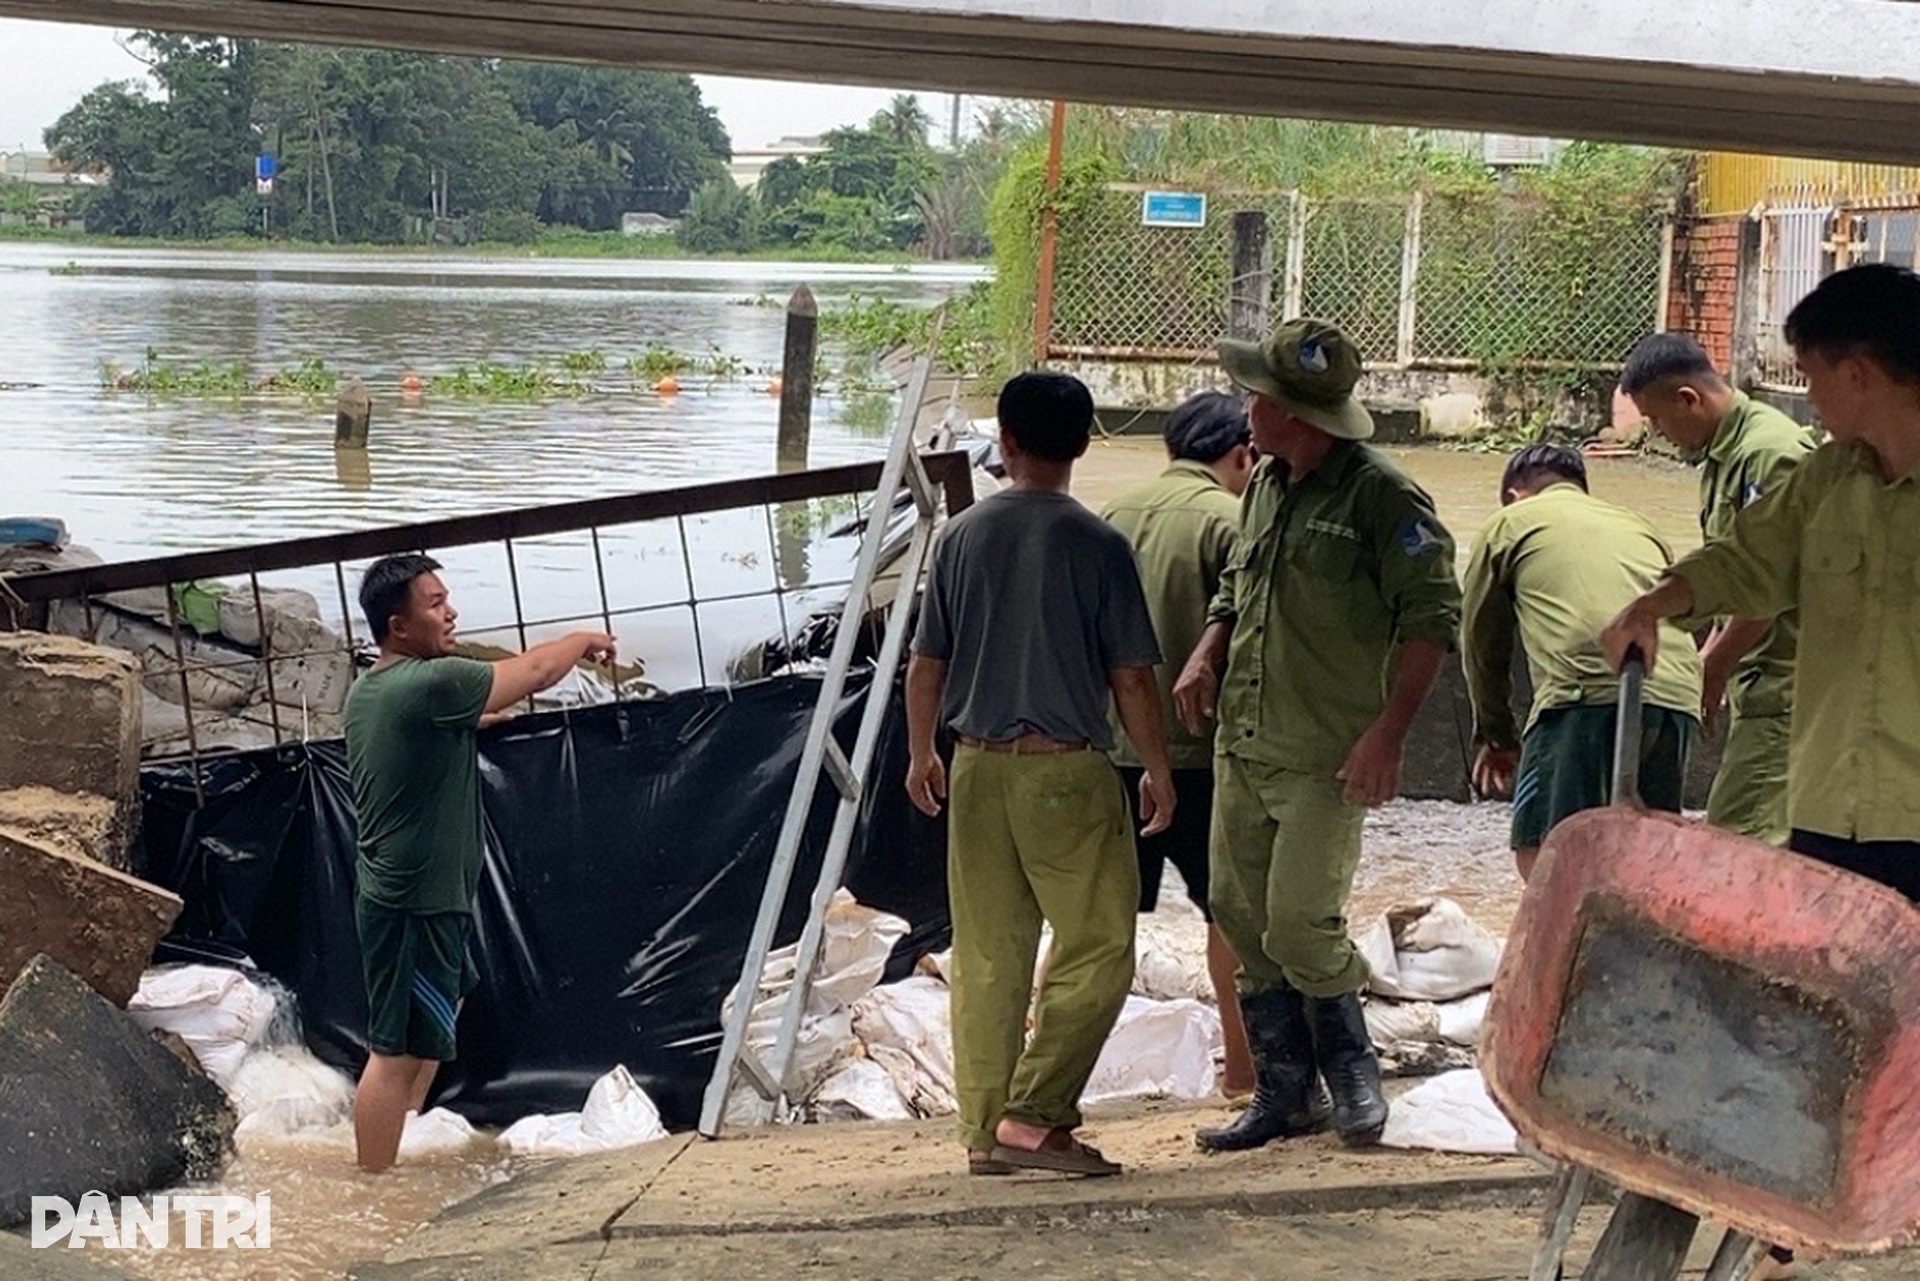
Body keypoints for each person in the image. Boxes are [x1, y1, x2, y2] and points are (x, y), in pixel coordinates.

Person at [1605, 265, 1920, 1280]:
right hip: (1834, 797)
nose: (1806, 396)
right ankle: (1794, 1212)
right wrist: (1662, 601)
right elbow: (1748, 562)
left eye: (1811, 375)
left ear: (1860, 372)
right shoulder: (1826, 482)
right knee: (1827, 1009)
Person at [1173, 318, 1462, 1151]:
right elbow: (1237, 584)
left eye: (1255, 397)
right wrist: (1205, 650)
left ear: (1292, 414)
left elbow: (1431, 619)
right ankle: (1283, 1094)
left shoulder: (1384, 496)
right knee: (1240, 911)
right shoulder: (1264, 483)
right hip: (1244, 738)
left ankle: (1354, 1077)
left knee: (1302, 918)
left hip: (1325, 750)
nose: (1245, 410)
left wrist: (1389, 734)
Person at [906, 370, 1176, 1179]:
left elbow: (927, 663)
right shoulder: (1098, 545)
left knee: (988, 953)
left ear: (1007, 443)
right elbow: (1132, 676)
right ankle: (1036, 1113)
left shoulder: (960, 537)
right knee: (1098, 945)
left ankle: (986, 1131)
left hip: (977, 766)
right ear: (1086, 442)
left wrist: (923, 751)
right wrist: (1156, 765)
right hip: (1065, 770)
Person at [346, 553, 617, 1173]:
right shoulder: (429, 683)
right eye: (435, 604)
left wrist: (471, 721)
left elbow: (430, 730)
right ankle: (371, 1188)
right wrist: (584, 638)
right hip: (412, 900)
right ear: (399, 626)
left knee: (445, 1006)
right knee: (393, 1054)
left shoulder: (377, 690)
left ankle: (403, 1135)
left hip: (418, 894)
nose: (452, 612)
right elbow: (537, 669)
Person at [1100, 391, 1259, 1098]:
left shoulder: (1110, 517)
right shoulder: (1236, 522)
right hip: (1202, 756)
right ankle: (1242, 1071)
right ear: (1240, 455)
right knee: (1228, 913)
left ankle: (1042, 1064)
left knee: (1097, 919)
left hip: (1110, 750)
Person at [1461, 444, 1704, 882]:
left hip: (1583, 696)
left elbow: (1480, 640)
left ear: (1516, 495)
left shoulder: (1510, 522)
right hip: (1676, 699)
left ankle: (1564, 952)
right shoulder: (1638, 525)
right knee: (1643, 864)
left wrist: (1496, 735)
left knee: (1546, 853)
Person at [1620, 334, 1815, 846]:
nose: (1658, 434)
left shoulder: (1770, 453)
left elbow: (1769, 579)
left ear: (1690, 398)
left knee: (1741, 843)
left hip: (1786, 686)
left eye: (1657, 420)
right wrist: (1712, 655)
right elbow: (1730, 571)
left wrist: (1715, 664)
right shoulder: (1724, 454)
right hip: (1761, 685)